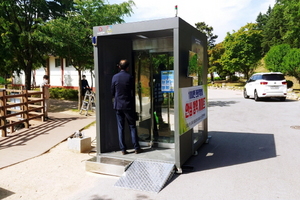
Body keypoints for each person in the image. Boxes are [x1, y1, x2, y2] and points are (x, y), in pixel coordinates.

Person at [111, 59, 143, 155]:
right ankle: (136, 147)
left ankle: (123, 149)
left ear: (119, 67)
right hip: (128, 105)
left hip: (118, 106)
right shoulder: (130, 77)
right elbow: (133, 90)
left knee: (120, 127)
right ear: (128, 67)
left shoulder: (115, 77)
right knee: (132, 126)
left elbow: (112, 92)